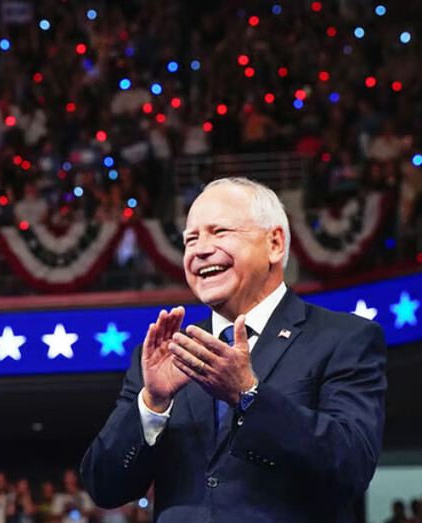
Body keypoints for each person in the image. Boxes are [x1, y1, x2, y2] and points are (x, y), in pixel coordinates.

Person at [80, 177, 386, 521]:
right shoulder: (167, 354)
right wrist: (153, 404)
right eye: (190, 239)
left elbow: (351, 466)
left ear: (274, 244)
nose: (200, 250)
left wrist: (249, 395)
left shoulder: (344, 338)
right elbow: (104, 487)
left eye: (220, 232)